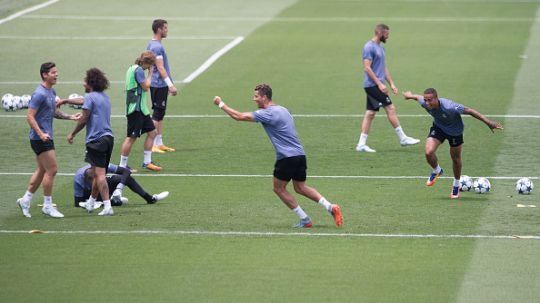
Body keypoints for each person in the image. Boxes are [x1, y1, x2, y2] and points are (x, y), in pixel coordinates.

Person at [213, 84, 343, 228]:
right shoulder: (284, 110)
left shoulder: (268, 113)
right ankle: (330, 207)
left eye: (256, 96)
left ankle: (305, 219)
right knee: (300, 187)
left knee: (278, 188)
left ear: (264, 97)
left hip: (286, 158)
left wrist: (220, 103)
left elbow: (239, 116)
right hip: (300, 155)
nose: (253, 99)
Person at [402, 88, 503, 198]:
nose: (427, 103)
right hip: (439, 128)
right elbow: (418, 97)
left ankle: (456, 185)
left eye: (430, 100)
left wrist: (489, 123)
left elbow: (469, 110)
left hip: (455, 132)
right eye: (426, 100)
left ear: (437, 98)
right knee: (428, 152)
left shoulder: (449, 106)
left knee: (455, 159)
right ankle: (437, 170)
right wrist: (410, 95)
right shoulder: (425, 103)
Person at [16, 62, 81, 218]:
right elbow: (29, 116)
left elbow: (53, 112)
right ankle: (47, 206)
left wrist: (70, 117)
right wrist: (40, 134)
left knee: (41, 170)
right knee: (52, 170)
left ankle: (26, 200)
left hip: (43, 136)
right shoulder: (39, 94)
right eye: (53, 72)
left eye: (57, 72)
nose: (56, 75)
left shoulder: (51, 92)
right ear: (45, 74)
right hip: (41, 138)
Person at [356, 24, 419, 153]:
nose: (388, 37)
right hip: (372, 85)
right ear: (380, 33)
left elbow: (383, 68)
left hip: (376, 85)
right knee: (390, 108)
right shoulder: (369, 47)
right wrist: (380, 84)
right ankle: (403, 138)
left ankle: (361, 144)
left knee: (370, 113)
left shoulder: (381, 47)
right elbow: (367, 68)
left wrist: (392, 84)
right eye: (387, 34)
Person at [68, 68, 115, 216]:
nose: (83, 83)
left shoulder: (90, 97)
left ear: (90, 82)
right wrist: (66, 100)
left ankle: (107, 206)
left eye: (85, 80)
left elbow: (84, 118)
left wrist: (72, 133)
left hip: (96, 140)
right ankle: (91, 201)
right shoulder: (104, 96)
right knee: (97, 172)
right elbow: (84, 101)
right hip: (108, 138)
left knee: (100, 174)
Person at [119, 50, 162, 171]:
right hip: (135, 109)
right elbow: (146, 87)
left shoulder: (132, 68)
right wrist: (150, 74)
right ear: (148, 64)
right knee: (131, 138)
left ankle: (147, 162)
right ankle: (122, 166)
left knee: (152, 133)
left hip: (142, 109)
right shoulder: (138, 70)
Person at [73, 163, 169, 209]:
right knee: (117, 203)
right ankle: (112, 201)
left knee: (127, 178)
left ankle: (150, 198)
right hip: (89, 195)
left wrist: (119, 188)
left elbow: (126, 171)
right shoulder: (78, 178)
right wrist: (97, 203)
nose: (95, 183)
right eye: (92, 181)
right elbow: (77, 202)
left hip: (104, 184)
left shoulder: (103, 165)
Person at [147, 19, 178, 154]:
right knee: (157, 114)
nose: (167, 30)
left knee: (160, 114)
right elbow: (160, 67)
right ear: (159, 29)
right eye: (165, 28)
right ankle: (153, 144)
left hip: (158, 84)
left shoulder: (153, 44)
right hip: (159, 84)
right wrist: (170, 85)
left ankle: (159, 143)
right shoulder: (157, 47)